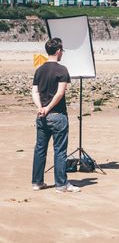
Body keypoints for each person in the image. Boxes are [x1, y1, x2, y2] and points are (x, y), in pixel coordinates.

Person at [32, 38, 81, 192]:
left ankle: (37, 182)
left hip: (42, 116)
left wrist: (41, 107)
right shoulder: (62, 70)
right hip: (57, 115)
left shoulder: (39, 70)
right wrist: (47, 108)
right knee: (59, 150)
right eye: (62, 51)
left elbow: (34, 91)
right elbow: (60, 93)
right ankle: (61, 184)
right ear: (58, 51)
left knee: (40, 149)